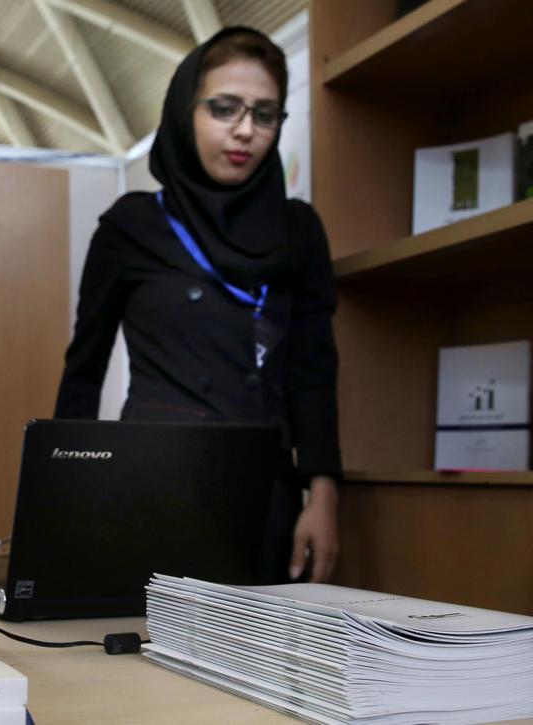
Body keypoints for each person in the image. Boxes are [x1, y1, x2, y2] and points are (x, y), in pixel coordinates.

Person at [54, 27, 340, 584]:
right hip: (153, 488)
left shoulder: (298, 231)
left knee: (259, 664)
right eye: (224, 108)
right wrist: (67, 502)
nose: (245, 130)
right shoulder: (132, 226)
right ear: (188, 110)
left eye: (265, 114)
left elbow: (313, 373)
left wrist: (323, 493)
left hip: (269, 500)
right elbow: (82, 373)